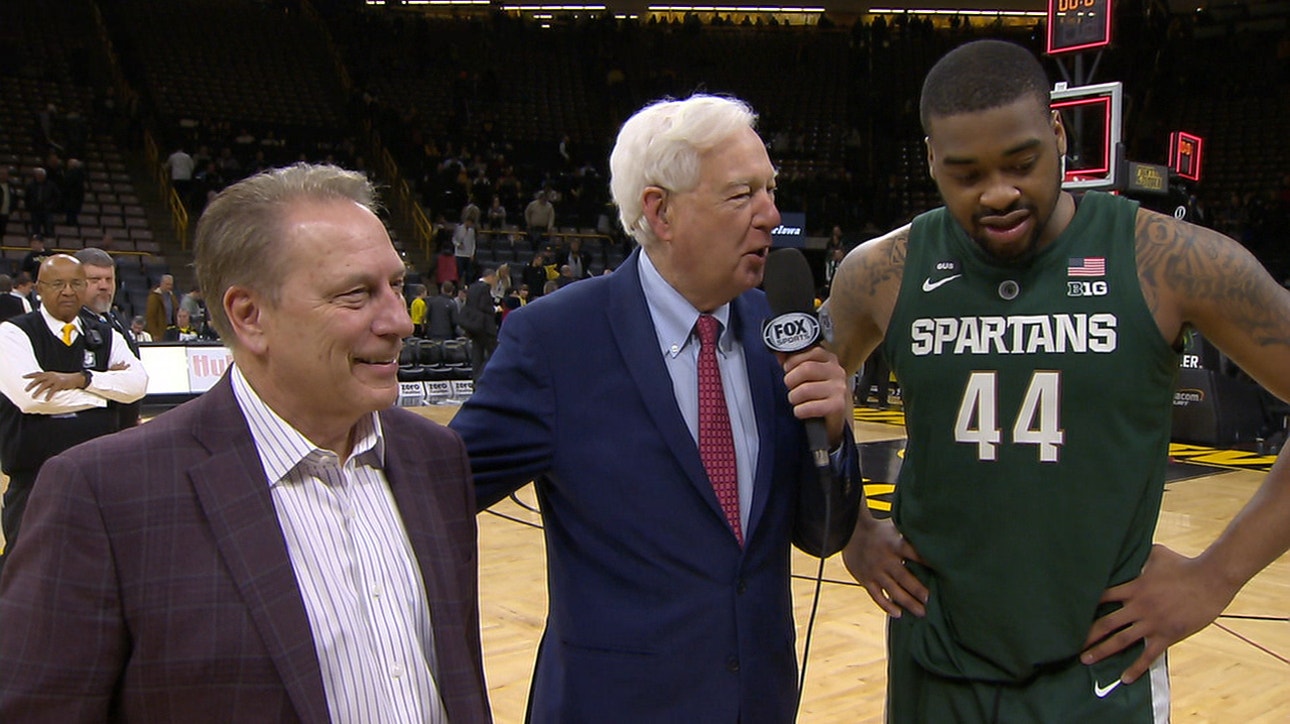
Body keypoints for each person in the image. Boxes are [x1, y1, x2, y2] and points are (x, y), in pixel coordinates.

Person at [824, 40, 1290, 722]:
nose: (998, 193)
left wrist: (1213, 578)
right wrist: (851, 529)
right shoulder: (878, 273)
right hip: (935, 665)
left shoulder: (1169, 260)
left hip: (1098, 674)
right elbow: (799, 412)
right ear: (930, 161)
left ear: (1059, 134)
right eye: (965, 173)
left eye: (1021, 163)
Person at [0, 164, 493, 723]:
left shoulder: (437, 458)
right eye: (357, 295)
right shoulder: (102, 496)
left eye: (397, 286)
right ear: (249, 315)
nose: (401, 322)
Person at [449, 94, 864, 723]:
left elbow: (822, 534)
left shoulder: (778, 328)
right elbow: (440, 491)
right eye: (741, 194)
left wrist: (831, 436)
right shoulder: (556, 340)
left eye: (771, 191)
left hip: (757, 703)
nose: (771, 215)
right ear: (660, 211)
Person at [0, 254, 147, 574]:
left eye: (75, 284)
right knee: (25, 573)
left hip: (98, 474)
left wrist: (82, 379)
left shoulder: (106, 333)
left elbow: (137, 384)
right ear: (39, 288)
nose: (68, 291)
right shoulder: (12, 333)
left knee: (95, 569)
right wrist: (105, 397)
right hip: (34, 477)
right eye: (57, 284)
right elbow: (32, 398)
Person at [75, 246, 143, 428]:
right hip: (91, 426)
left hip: (123, 422)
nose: (104, 286)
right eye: (95, 280)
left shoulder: (114, 316)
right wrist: (110, 376)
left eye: (109, 279)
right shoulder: (70, 322)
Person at [459, 267, 498, 380]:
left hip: (473, 326)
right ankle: (481, 376)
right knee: (493, 353)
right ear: (490, 277)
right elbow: (483, 306)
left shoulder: (472, 287)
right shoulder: (485, 288)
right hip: (485, 327)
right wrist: (495, 309)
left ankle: (475, 379)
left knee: (477, 354)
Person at [145, 273, 178, 341]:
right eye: (167, 284)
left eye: (171, 284)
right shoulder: (154, 297)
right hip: (161, 330)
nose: (169, 286)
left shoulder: (172, 296)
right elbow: (150, 317)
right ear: (161, 283)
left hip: (172, 329)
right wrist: (154, 333)